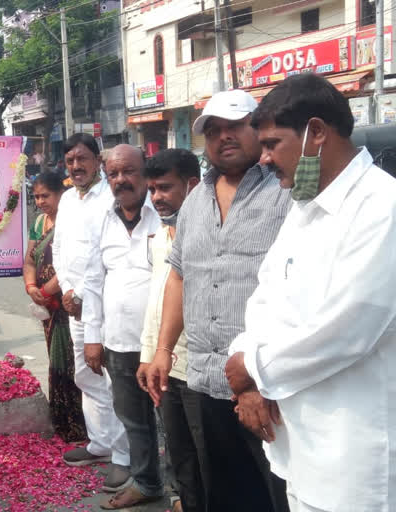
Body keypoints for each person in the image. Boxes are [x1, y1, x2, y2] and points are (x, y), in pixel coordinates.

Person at [225, 73, 396, 511]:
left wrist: (254, 369)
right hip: (297, 444)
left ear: (316, 133)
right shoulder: (304, 207)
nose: (262, 159)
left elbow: (348, 327)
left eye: (271, 144)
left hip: (353, 461)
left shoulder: (382, 207)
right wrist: (248, 372)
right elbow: (265, 295)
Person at [144, 89, 292, 512]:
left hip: (270, 385)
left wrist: (257, 378)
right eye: (214, 130)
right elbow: (179, 276)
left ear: (258, 128)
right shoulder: (195, 201)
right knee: (226, 495)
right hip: (207, 382)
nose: (224, 137)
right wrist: (163, 350)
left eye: (234, 126)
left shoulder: (286, 191)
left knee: (279, 494)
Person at [81, 144, 163, 509]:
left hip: (164, 344)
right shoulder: (103, 219)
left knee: (172, 422)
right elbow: (93, 282)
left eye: (128, 171)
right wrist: (92, 338)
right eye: (113, 174)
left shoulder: (163, 213)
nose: (120, 180)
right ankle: (146, 483)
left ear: (145, 172)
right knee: (134, 421)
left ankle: (184, 490)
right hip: (118, 342)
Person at [52, 133, 130, 492]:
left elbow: (104, 252)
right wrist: (68, 290)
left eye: (82, 159)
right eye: (70, 161)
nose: (76, 166)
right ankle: (100, 442)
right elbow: (60, 248)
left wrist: (82, 293)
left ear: (97, 160)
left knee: (114, 378)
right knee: (85, 375)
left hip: (101, 300)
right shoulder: (68, 198)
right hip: (74, 302)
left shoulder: (108, 198)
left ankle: (124, 456)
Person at [137, 148, 205, 512]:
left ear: (192, 185)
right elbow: (157, 302)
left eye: (164, 188)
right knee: (181, 456)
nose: (156, 198)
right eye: (152, 189)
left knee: (209, 459)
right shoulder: (162, 235)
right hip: (168, 364)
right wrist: (149, 355)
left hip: (201, 368)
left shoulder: (209, 231)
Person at [23, 171, 87, 443]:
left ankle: (80, 424)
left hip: (66, 303)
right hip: (46, 305)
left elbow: (72, 263)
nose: (40, 201)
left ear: (61, 194)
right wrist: (31, 288)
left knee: (74, 362)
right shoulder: (39, 223)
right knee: (55, 359)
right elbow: (29, 259)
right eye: (36, 196)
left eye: (45, 196)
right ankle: (61, 420)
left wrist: (47, 290)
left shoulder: (71, 222)